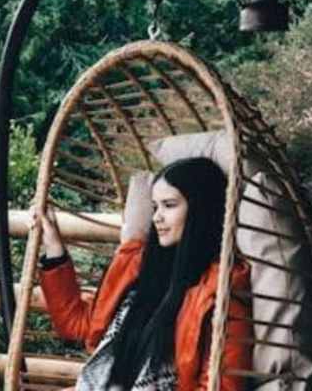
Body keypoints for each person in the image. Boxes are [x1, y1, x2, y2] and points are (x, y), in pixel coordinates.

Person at [33, 157, 252, 391]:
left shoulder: (221, 288)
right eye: (155, 207)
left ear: (201, 208)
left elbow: (221, 386)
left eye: (169, 205)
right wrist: (53, 247)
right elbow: (79, 325)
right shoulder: (135, 262)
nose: (157, 217)